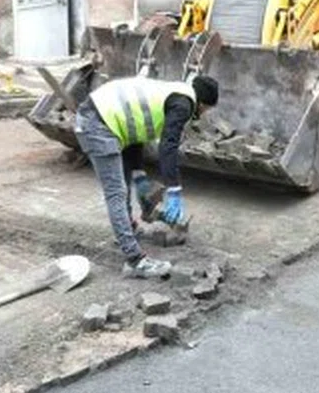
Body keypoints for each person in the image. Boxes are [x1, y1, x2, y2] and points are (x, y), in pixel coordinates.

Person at [75, 73, 219, 279]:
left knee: (124, 184)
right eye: (207, 109)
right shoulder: (183, 105)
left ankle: (128, 230)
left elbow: (134, 131)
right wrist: (174, 189)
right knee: (116, 192)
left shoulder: (173, 93)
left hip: (101, 118)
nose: (204, 114)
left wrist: (139, 174)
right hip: (97, 124)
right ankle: (135, 261)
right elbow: (168, 146)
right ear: (202, 103)